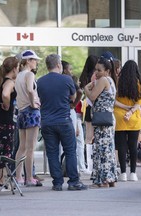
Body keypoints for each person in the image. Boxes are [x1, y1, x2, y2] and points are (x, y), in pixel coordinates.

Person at [37, 53, 88, 191]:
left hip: (47, 122)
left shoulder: (40, 82)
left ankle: (57, 182)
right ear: (59, 65)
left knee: (52, 152)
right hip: (64, 120)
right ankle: (73, 181)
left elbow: (39, 99)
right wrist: (73, 104)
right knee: (70, 150)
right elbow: (75, 95)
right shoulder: (66, 79)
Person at [84, 57, 118, 188]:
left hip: (101, 119)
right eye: (95, 70)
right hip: (108, 118)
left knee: (101, 149)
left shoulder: (103, 80)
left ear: (107, 71)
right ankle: (110, 178)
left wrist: (87, 88)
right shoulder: (111, 81)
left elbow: (92, 97)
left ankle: (103, 180)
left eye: (99, 70)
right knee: (108, 149)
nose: (96, 72)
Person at [114, 60, 141, 182]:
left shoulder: (118, 82)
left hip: (119, 117)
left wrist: (125, 109)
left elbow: (113, 100)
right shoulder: (139, 83)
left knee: (121, 146)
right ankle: (133, 173)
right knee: (133, 146)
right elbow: (140, 102)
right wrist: (131, 111)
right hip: (134, 118)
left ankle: (123, 173)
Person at [14, 50, 42, 186]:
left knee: (22, 147)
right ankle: (29, 177)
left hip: (21, 112)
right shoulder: (29, 74)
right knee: (31, 148)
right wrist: (33, 102)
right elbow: (31, 90)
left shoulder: (18, 75)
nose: (36, 62)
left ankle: (18, 177)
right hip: (31, 111)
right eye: (35, 60)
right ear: (29, 61)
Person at [0, 56, 19, 187]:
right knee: (5, 150)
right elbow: (6, 94)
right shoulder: (9, 82)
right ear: (14, 69)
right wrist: (6, 104)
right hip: (6, 121)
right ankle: (1, 180)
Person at [79, 55, 98, 173]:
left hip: (86, 107)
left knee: (88, 137)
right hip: (95, 107)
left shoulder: (83, 76)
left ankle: (87, 163)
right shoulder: (96, 76)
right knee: (96, 136)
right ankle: (93, 163)